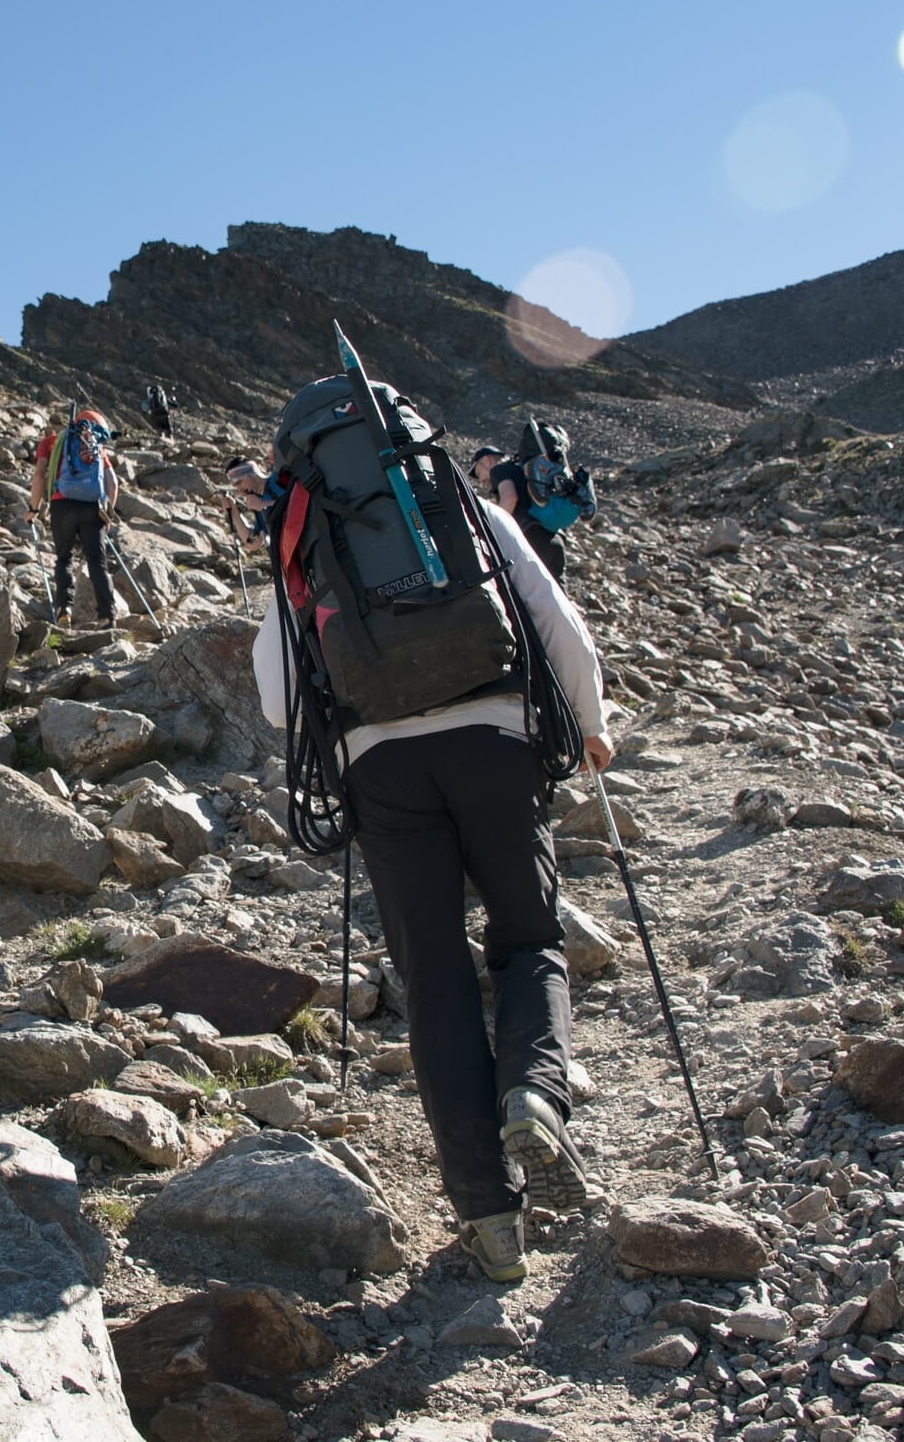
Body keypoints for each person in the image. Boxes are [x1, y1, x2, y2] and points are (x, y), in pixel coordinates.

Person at [252, 486, 613, 1284]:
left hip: (380, 768)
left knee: (436, 977)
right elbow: (554, 617)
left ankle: (491, 1220)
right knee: (530, 939)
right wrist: (591, 725)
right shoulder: (457, 501)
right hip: (495, 737)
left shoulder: (303, 533)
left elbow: (279, 703)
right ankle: (533, 1097)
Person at [470, 421, 593, 585]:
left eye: (479, 473)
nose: (483, 481)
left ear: (486, 461)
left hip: (530, 538)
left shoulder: (499, 471)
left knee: (525, 598)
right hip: (556, 539)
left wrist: (492, 531)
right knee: (559, 598)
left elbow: (510, 498)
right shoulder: (525, 469)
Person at [28, 407, 120, 626]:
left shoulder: (50, 442)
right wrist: (107, 515)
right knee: (98, 563)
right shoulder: (96, 446)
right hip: (92, 507)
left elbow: (40, 476)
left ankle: (64, 610)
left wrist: (33, 508)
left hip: (62, 504)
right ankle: (107, 615)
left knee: (64, 558)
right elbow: (113, 483)